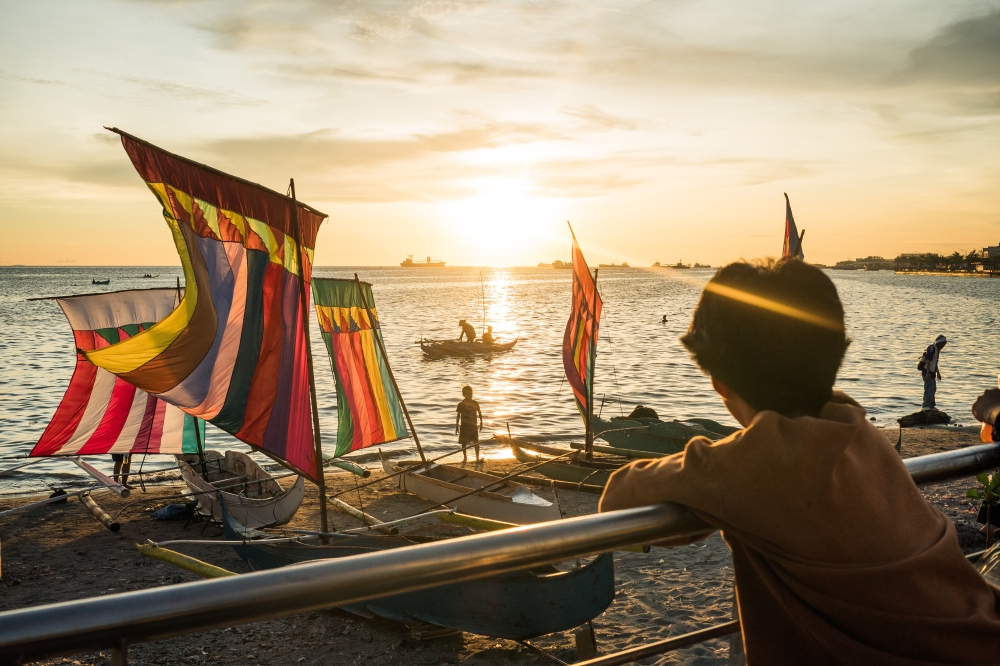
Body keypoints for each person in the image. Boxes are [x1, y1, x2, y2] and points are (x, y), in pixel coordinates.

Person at [599, 259, 1000, 664]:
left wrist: (712, 461)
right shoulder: (857, 427)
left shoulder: (753, 464)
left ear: (719, 383)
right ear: (836, 355)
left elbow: (617, 498)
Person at [455, 385, 483, 463]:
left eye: (471, 393)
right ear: (463, 394)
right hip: (464, 426)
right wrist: (456, 426)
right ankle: (465, 458)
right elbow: (458, 416)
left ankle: (477, 457)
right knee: (463, 442)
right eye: (467, 394)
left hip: (473, 426)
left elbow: (480, 413)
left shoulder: (475, 403)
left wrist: (481, 423)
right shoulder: (461, 404)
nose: (469, 395)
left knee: (476, 441)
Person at [919, 334, 947, 410]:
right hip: (927, 371)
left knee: (933, 389)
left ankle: (931, 406)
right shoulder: (932, 348)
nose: (943, 346)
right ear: (939, 342)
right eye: (942, 344)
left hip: (932, 372)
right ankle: (926, 406)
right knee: (929, 389)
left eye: (944, 344)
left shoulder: (937, 350)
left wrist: (938, 373)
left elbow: (935, 363)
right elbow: (928, 360)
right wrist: (928, 372)